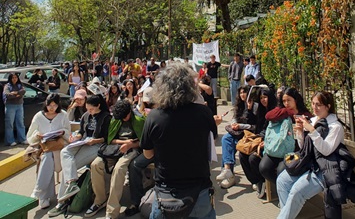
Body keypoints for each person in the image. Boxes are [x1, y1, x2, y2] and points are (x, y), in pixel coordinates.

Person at [141, 62, 217, 218]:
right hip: (199, 192)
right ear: (191, 86)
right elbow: (211, 141)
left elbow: (148, 154)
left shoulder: (154, 117)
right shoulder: (204, 112)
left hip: (166, 194)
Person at [276, 91, 346, 219]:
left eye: (318, 105)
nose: (314, 107)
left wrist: (312, 130)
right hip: (308, 164)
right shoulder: (313, 120)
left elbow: (326, 150)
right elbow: (304, 149)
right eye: (313, 104)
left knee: (296, 192)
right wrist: (300, 133)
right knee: (281, 181)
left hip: (325, 170)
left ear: (328, 106)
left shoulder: (335, 127)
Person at [48, 95, 111, 217]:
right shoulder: (86, 116)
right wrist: (76, 137)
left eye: (92, 109)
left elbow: (107, 138)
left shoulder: (106, 117)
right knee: (65, 152)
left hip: (96, 145)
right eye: (87, 109)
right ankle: (72, 183)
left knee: (68, 168)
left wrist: (95, 141)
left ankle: (61, 202)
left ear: (98, 106)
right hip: (83, 142)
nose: (89, 112)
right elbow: (82, 131)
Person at [85, 99, 145, 218]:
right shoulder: (115, 119)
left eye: (125, 117)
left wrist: (130, 144)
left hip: (132, 149)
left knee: (119, 169)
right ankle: (100, 200)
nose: (123, 119)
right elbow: (110, 139)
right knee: (96, 165)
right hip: (114, 149)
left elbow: (144, 141)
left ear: (129, 112)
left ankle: (112, 211)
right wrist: (123, 142)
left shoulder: (139, 120)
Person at [27, 94, 71, 209]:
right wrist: (38, 135)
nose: (52, 108)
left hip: (59, 145)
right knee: (47, 155)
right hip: (44, 146)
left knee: (49, 156)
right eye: (49, 105)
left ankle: (40, 191)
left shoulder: (63, 115)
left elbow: (68, 132)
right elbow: (30, 135)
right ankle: (43, 195)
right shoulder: (38, 116)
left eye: (54, 105)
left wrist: (61, 132)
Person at [259, 87, 312, 183]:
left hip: (295, 152)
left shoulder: (304, 114)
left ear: (296, 100)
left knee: (282, 170)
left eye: (289, 100)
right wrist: (288, 111)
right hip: (278, 148)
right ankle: (281, 188)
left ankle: (284, 190)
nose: (286, 103)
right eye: (284, 101)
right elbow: (268, 116)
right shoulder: (282, 111)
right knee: (264, 167)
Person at [216, 85, 258, 189]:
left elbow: (254, 125)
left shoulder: (255, 106)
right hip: (238, 132)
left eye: (245, 92)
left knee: (230, 142)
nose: (243, 95)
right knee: (226, 139)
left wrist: (240, 125)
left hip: (250, 134)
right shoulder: (239, 105)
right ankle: (228, 171)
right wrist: (234, 124)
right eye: (241, 93)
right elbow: (234, 117)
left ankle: (228, 172)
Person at [238, 88, 277, 198]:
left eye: (265, 97)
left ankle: (261, 181)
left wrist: (263, 139)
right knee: (242, 154)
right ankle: (256, 181)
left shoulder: (275, 111)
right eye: (261, 98)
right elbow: (252, 124)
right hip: (257, 139)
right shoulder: (261, 110)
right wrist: (249, 110)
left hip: (268, 142)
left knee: (252, 158)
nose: (263, 100)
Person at [3, 73, 27, 146]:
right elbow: (8, 95)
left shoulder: (20, 85)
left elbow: (23, 91)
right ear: (10, 78)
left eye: (16, 77)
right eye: (13, 77)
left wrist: (16, 93)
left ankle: (22, 139)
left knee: (20, 123)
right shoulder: (7, 86)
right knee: (10, 124)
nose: (14, 79)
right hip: (10, 106)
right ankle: (10, 141)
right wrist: (17, 95)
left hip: (19, 105)